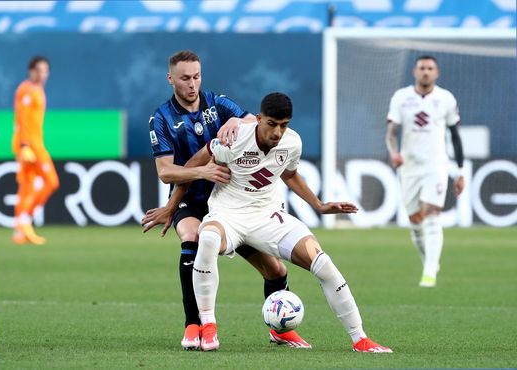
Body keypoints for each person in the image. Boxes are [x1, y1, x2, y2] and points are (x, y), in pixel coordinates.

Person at [161, 92, 392, 352]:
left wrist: (319, 205)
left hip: (267, 216)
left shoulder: (292, 143)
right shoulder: (233, 140)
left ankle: (359, 338)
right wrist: (171, 207)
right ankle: (208, 326)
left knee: (323, 264)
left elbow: (290, 174)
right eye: (271, 123)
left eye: (284, 125)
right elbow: (193, 166)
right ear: (258, 119)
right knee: (209, 238)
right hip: (228, 215)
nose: (277, 132)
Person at [142, 50, 309, 350]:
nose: (192, 84)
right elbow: (166, 172)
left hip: (234, 205)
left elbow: (254, 122)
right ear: (171, 79)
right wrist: (197, 177)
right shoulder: (161, 118)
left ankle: (280, 331)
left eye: (196, 76)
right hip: (191, 200)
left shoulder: (218, 103)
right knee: (192, 236)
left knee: (276, 271)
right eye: (185, 78)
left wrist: (237, 122)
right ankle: (194, 325)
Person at [385, 55, 465, 288]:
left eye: (430, 68)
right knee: (415, 221)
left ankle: (429, 273)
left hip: (436, 165)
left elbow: (455, 136)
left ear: (437, 73)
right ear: (414, 71)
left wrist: (459, 170)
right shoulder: (401, 98)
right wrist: (393, 152)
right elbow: (391, 132)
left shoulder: (446, 99)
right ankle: (429, 262)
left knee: (432, 214)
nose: (426, 72)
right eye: (422, 68)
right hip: (409, 167)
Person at [12, 56, 59, 245]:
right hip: (30, 145)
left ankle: (20, 230)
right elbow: (21, 117)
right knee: (51, 181)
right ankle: (24, 220)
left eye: (46, 70)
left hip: (34, 143)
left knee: (27, 186)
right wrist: (23, 145)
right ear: (31, 71)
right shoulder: (26, 89)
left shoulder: (38, 89)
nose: (43, 74)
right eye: (39, 70)